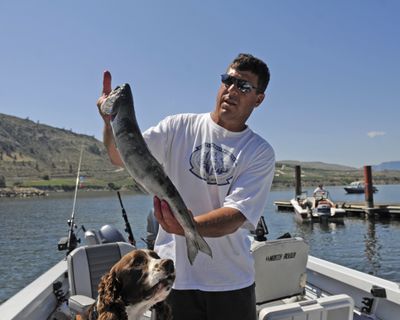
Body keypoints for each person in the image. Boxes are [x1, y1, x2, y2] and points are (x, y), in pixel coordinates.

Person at [97, 53, 275, 320]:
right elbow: (120, 156)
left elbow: (236, 215)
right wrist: (110, 121)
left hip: (231, 282)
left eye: (244, 86)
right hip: (173, 281)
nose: (231, 90)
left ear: (258, 99)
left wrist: (186, 228)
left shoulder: (259, 151)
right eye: (228, 80)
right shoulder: (178, 126)